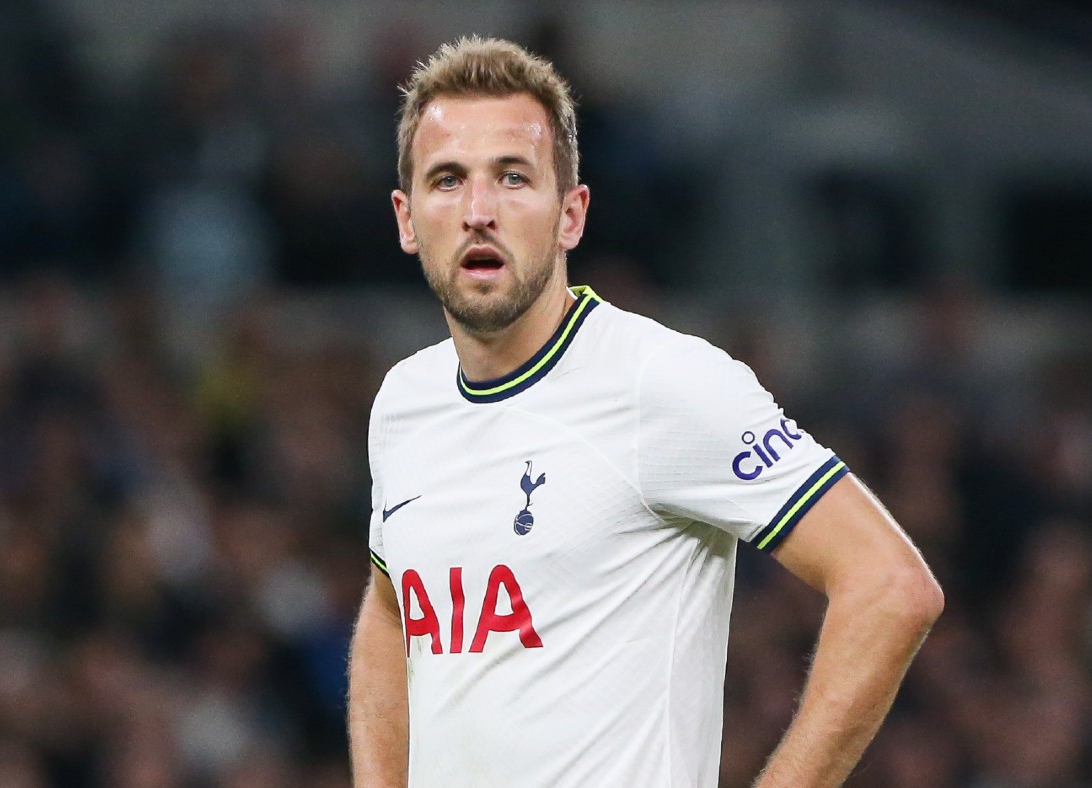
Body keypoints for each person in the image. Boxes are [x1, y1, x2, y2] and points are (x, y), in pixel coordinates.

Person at [346, 36, 943, 787]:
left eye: (513, 177)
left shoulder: (662, 382)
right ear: (406, 219)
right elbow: (391, 613)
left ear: (571, 215)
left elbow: (889, 586)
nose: (479, 211)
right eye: (447, 180)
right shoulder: (404, 402)